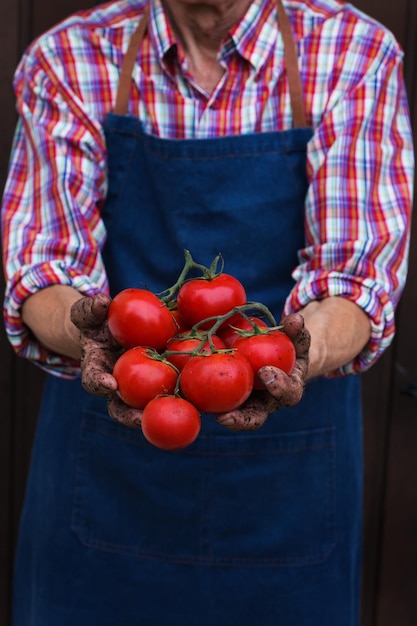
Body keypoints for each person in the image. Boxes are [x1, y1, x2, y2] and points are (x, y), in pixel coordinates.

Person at [1, 0, 414, 624]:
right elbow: (43, 266)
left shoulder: (352, 50)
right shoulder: (70, 56)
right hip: (107, 469)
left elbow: (356, 278)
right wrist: (92, 330)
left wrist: (300, 350)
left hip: (291, 484)